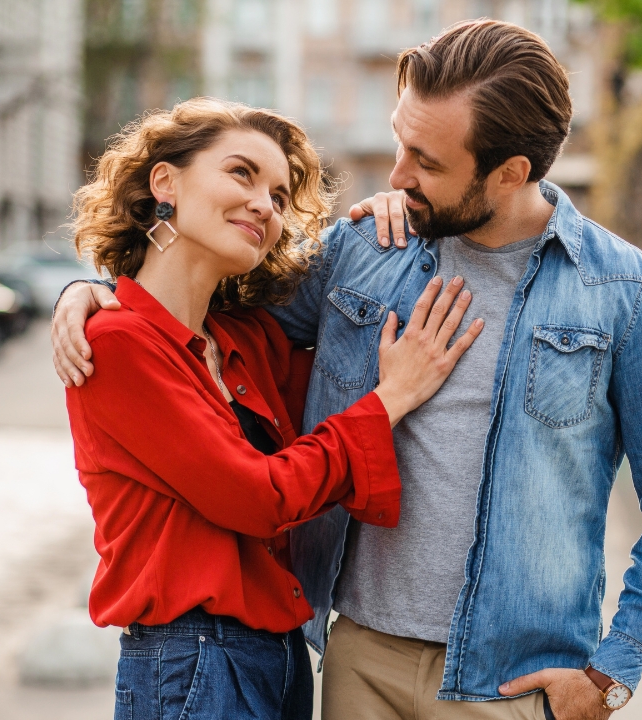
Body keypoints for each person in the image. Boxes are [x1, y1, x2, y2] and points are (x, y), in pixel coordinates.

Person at [55, 20, 642, 720]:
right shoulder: (367, 248)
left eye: (426, 162)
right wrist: (92, 291)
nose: (398, 175)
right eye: (402, 142)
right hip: (356, 662)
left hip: (508, 685)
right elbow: (207, 304)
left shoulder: (628, 295)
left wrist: (612, 673)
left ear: (510, 172)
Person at [63, 97, 483, 720]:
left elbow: (343, 382)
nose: (266, 204)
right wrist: (390, 398)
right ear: (165, 181)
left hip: (281, 660)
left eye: (282, 197)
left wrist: (401, 212)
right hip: (191, 662)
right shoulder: (116, 344)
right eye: (242, 173)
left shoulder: (246, 341)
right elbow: (257, 497)